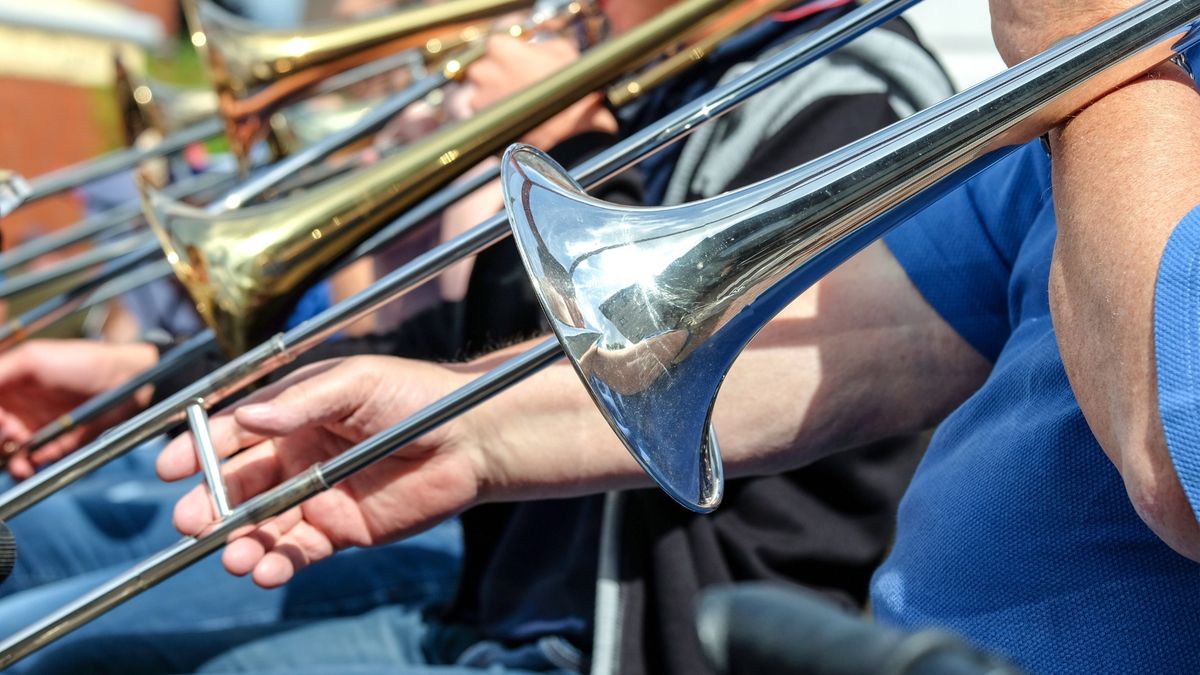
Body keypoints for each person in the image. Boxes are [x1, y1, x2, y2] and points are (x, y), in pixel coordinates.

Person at [50, 0, 1200, 672]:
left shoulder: (1101, 85)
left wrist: (1103, 63)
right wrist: (469, 435)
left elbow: (1177, 464)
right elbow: (859, 332)